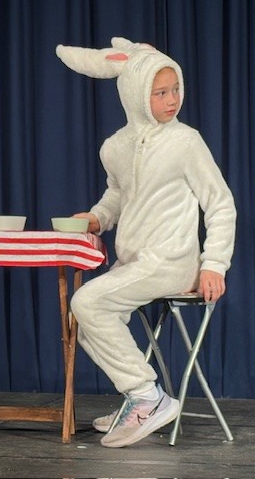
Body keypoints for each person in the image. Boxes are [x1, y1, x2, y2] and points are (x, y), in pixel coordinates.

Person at [55, 37, 236, 448]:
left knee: (87, 301)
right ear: (135, 94)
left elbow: (220, 203)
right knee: (84, 322)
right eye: (160, 93)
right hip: (136, 262)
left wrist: (214, 263)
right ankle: (136, 398)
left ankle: (146, 397)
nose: (172, 100)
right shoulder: (114, 147)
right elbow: (118, 195)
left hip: (172, 260)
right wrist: (97, 218)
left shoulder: (185, 141)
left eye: (175, 90)